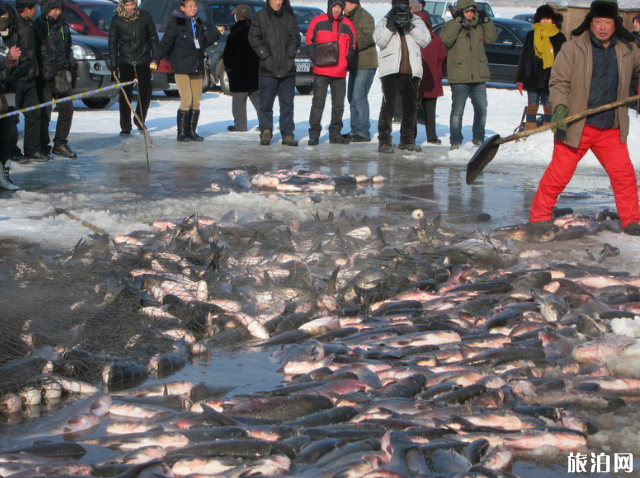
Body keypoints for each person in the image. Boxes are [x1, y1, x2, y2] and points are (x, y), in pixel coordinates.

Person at [529, 0, 640, 236]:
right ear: (590, 22)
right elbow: (559, 82)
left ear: (615, 24)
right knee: (558, 175)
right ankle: (539, 217)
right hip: (577, 125)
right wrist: (559, 109)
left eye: (607, 22)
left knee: (624, 175)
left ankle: (631, 220)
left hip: (611, 126)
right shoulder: (573, 47)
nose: (602, 27)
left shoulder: (626, 49)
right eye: (597, 21)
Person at [150, 0, 220, 142]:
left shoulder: (198, 23)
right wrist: (155, 60)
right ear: (183, 8)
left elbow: (202, 43)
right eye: (190, 6)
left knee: (196, 102)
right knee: (186, 101)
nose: (193, 9)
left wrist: (216, 34)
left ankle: (191, 131)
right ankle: (181, 133)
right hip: (182, 66)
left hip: (196, 66)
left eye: (194, 6)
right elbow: (165, 44)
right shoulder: (176, 24)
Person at [373, 0, 430, 153]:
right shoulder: (384, 21)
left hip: (411, 70)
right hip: (391, 70)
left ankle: (407, 140)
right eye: (398, 7)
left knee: (411, 107)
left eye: (404, 7)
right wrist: (390, 26)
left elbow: (425, 40)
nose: (401, 10)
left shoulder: (416, 21)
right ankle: (384, 141)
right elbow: (379, 40)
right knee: (388, 107)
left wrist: (410, 26)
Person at [439, 0, 497, 150]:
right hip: (459, 76)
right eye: (467, 11)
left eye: (472, 11)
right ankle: (455, 140)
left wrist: (487, 21)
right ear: (460, 12)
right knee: (458, 111)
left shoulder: (479, 27)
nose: (470, 14)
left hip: (478, 76)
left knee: (481, 109)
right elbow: (445, 38)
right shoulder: (452, 25)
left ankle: (479, 138)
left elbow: (492, 39)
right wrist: (457, 22)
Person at [248, 0, 300, 147]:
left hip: (287, 69)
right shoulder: (260, 16)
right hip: (267, 69)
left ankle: (288, 133)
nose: (277, 2)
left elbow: (295, 37)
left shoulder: (289, 17)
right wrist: (266, 56)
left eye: (280, 0)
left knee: (287, 105)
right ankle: (266, 130)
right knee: (265, 104)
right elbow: (254, 38)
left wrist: (289, 56)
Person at [306, 0, 355, 146]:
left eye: (339, 7)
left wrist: (346, 61)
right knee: (318, 104)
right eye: (334, 6)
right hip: (321, 71)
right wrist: (316, 59)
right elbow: (309, 42)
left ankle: (335, 134)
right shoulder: (317, 21)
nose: (337, 10)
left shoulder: (348, 24)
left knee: (338, 105)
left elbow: (352, 45)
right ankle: (314, 134)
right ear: (329, 7)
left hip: (339, 72)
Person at [34, 0, 79, 159]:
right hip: (44, 76)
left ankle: (60, 143)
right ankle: (43, 145)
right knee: (45, 113)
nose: (57, 12)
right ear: (47, 9)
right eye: (54, 9)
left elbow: (68, 48)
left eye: (59, 9)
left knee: (67, 109)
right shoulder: (38, 25)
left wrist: (71, 65)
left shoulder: (63, 25)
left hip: (62, 74)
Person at [109, 0, 159, 136]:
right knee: (125, 95)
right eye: (127, 5)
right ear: (122, 5)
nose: (130, 7)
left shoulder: (145, 16)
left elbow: (153, 38)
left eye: (132, 4)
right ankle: (125, 126)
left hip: (143, 59)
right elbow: (112, 43)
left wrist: (155, 58)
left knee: (145, 92)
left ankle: (140, 119)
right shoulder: (116, 20)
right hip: (125, 61)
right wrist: (113, 63)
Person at [515, 5, 566, 130]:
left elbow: (564, 61)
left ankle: (548, 131)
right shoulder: (531, 35)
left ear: (553, 19)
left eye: (548, 19)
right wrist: (519, 78)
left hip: (552, 78)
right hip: (532, 76)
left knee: (549, 106)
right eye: (543, 19)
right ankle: (529, 131)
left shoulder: (559, 37)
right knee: (532, 105)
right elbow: (524, 57)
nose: (545, 22)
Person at [14, 0, 49, 162]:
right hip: (16, 79)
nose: (37, 10)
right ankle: (12, 150)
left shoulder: (30, 24)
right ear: (27, 9)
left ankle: (32, 149)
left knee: (34, 114)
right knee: (12, 118)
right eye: (35, 8)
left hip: (30, 77)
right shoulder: (14, 26)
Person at [343, 0, 377, 143]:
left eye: (344, 3)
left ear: (352, 3)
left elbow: (370, 36)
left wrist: (351, 45)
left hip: (366, 63)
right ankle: (355, 129)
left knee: (359, 96)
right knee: (351, 97)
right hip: (355, 64)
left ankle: (362, 131)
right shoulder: (348, 18)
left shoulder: (364, 16)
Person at [223, 4, 259, 133]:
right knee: (258, 100)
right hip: (255, 72)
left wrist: (229, 69)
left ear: (238, 16)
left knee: (239, 101)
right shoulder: (256, 30)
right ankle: (266, 124)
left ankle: (240, 125)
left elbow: (228, 55)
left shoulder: (235, 32)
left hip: (239, 73)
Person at [416, 10, 446, 145]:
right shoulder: (414, 38)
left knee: (421, 109)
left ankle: (428, 136)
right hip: (420, 78)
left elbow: (442, 58)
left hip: (427, 78)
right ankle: (429, 136)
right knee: (423, 110)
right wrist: (439, 73)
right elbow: (442, 59)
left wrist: (439, 73)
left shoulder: (435, 39)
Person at [0, 5, 22, 190]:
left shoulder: (13, 35)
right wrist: (6, 61)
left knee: (7, 135)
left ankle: (3, 174)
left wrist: (11, 66)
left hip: (7, 91)